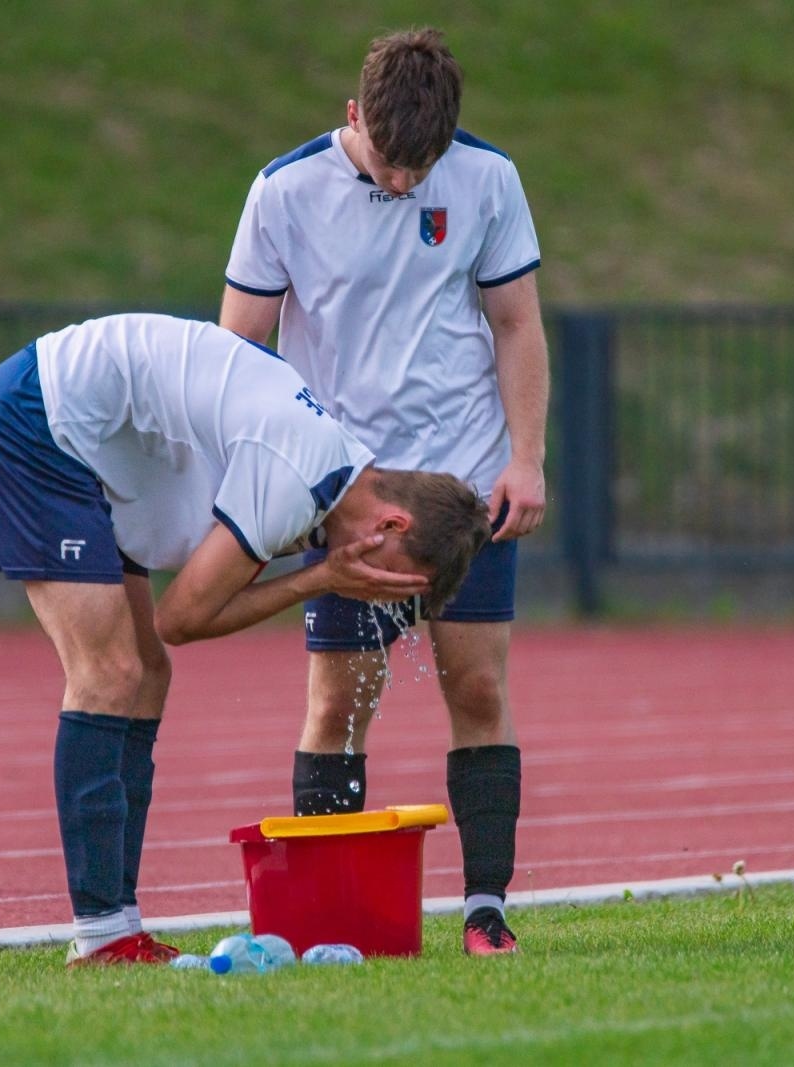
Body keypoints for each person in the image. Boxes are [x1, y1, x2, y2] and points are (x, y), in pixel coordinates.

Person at [0, 312, 491, 967]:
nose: (376, 593)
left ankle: (120, 923)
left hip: (95, 438)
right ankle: (100, 933)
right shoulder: (295, 476)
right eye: (392, 580)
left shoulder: (329, 463)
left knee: (146, 674)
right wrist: (320, 578)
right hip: (41, 422)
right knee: (109, 673)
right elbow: (181, 617)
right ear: (391, 521)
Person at [220, 27, 549, 955]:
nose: (405, 183)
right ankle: (327, 913)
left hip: (464, 482)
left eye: (424, 166)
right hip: (349, 494)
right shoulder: (283, 192)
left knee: (477, 683)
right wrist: (271, 483)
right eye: (390, 163)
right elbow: (240, 347)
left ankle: (486, 908)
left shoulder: (489, 179)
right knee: (338, 705)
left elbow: (517, 323)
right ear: (353, 115)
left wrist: (525, 459)